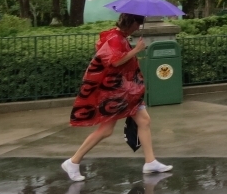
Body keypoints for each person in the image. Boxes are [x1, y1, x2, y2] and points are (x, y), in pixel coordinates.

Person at [61, 13, 172, 181]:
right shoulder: (115, 37)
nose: (139, 27)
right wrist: (136, 50)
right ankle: (73, 161)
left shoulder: (117, 36)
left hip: (124, 90)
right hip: (115, 92)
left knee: (144, 121)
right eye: (138, 23)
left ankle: (150, 161)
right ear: (131, 22)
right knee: (106, 130)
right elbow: (114, 62)